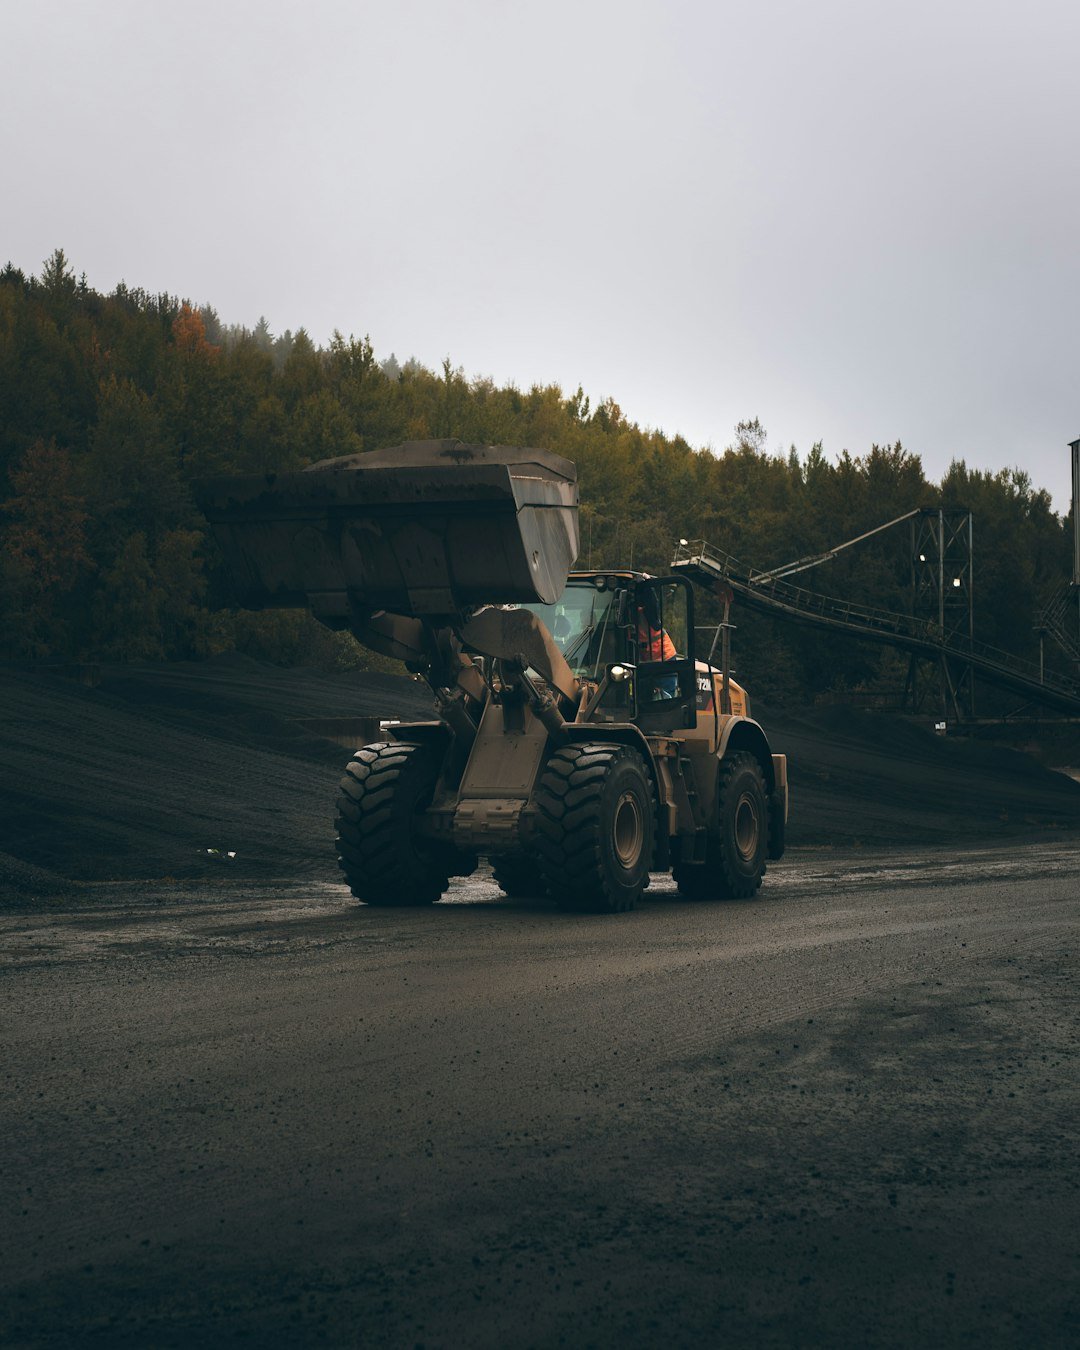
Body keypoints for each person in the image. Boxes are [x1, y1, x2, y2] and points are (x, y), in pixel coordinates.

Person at [636, 592, 678, 697]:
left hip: (665, 658)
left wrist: (648, 587)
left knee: (666, 697)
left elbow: (653, 604)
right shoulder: (621, 619)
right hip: (648, 662)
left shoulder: (647, 613)